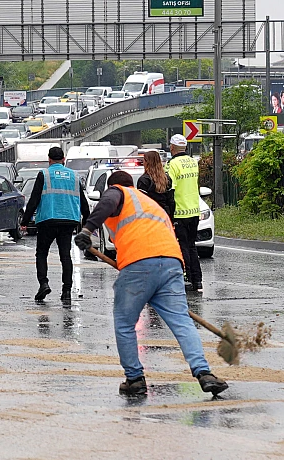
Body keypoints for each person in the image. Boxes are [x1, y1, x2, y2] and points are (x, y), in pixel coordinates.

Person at [75, 171, 228, 397]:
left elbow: (108, 201)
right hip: (171, 263)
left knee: (125, 323)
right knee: (182, 322)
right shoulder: (150, 204)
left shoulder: (118, 192)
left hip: (139, 264)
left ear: (113, 186)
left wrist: (87, 230)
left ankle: (135, 378)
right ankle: (204, 373)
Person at [22, 146, 90, 303]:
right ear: (64, 159)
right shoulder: (74, 175)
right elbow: (83, 201)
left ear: (49, 159)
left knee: (42, 253)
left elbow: (34, 199)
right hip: (69, 220)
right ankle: (66, 291)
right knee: (65, 256)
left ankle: (43, 283)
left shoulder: (44, 174)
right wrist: (87, 221)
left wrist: (25, 221)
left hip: (47, 219)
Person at [166, 135, 203, 292]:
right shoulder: (193, 162)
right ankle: (197, 279)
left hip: (180, 212)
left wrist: (169, 211)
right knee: (192, 245)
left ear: (172, 148)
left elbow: (170, 189)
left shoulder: (172, 164)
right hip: (194, 210)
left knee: (182, 246)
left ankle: (186, 277)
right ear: (185, 148)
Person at [137, 150, 175, 218]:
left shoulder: (144, 180)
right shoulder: (167, 179)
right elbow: (171, 202)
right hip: (165, 216)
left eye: (144, 160)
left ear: (147, 162)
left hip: (151, 217)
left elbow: (142, 204)